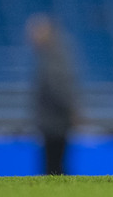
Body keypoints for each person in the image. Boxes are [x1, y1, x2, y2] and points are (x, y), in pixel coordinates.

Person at [26, 14, 79, 175]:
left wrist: (72, 110)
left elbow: (59, 88)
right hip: (53, 121)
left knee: (54, 165)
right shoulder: (50, 55)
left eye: (36, 32)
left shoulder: (53, 56)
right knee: (55, 163)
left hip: (55, 121)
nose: (31, 36)